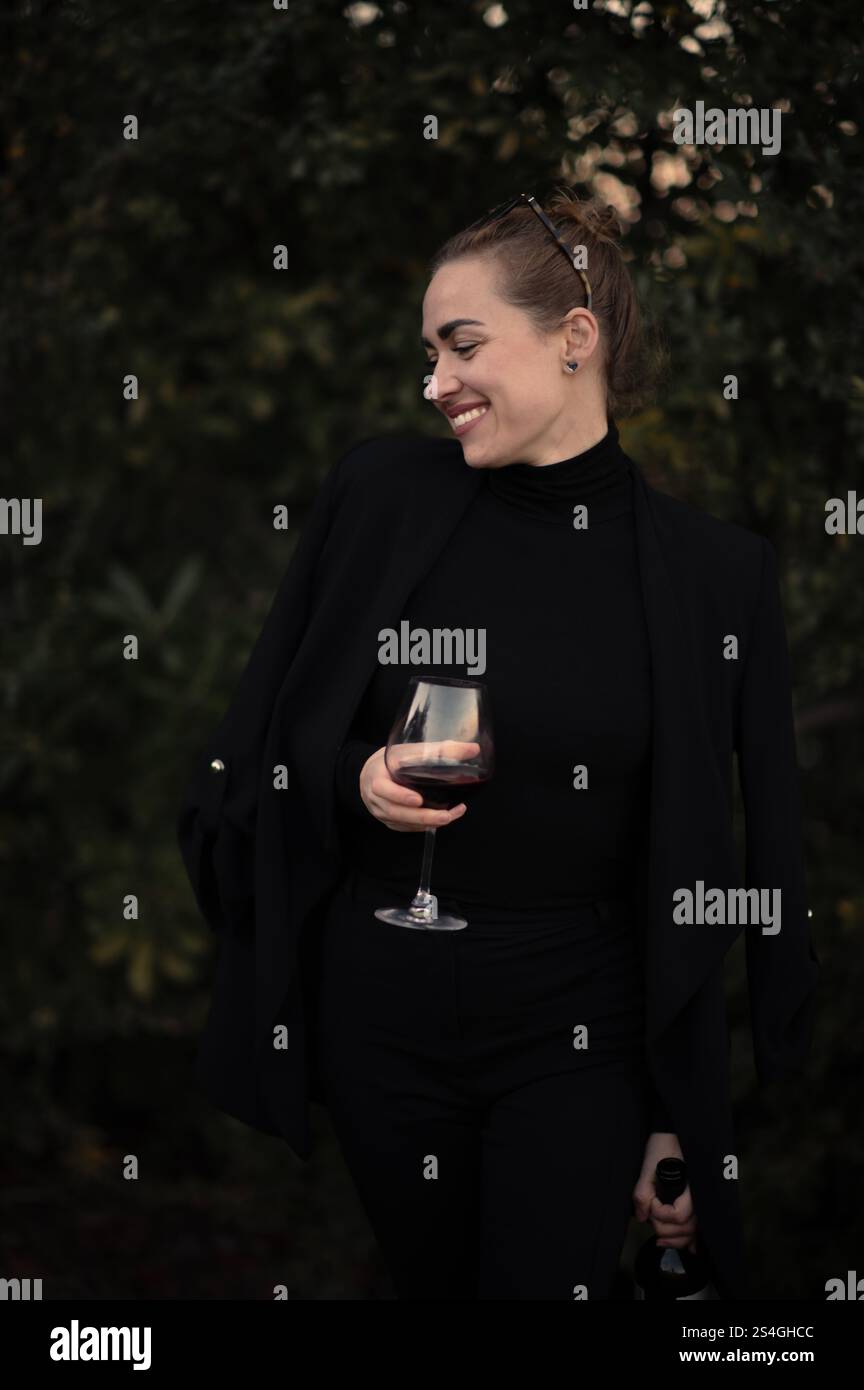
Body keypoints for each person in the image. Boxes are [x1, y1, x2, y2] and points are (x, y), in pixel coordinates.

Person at [178, 187, 819, 1301]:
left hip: (576, 1032)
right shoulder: (381, 494)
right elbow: (265, 740)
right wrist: (355, 779)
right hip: (382, 1018)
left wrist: (682, 1116)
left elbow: (723, 865)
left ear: (576, 339)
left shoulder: (716, 575)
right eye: (427, 354)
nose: (435, 383)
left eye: (462, 345)